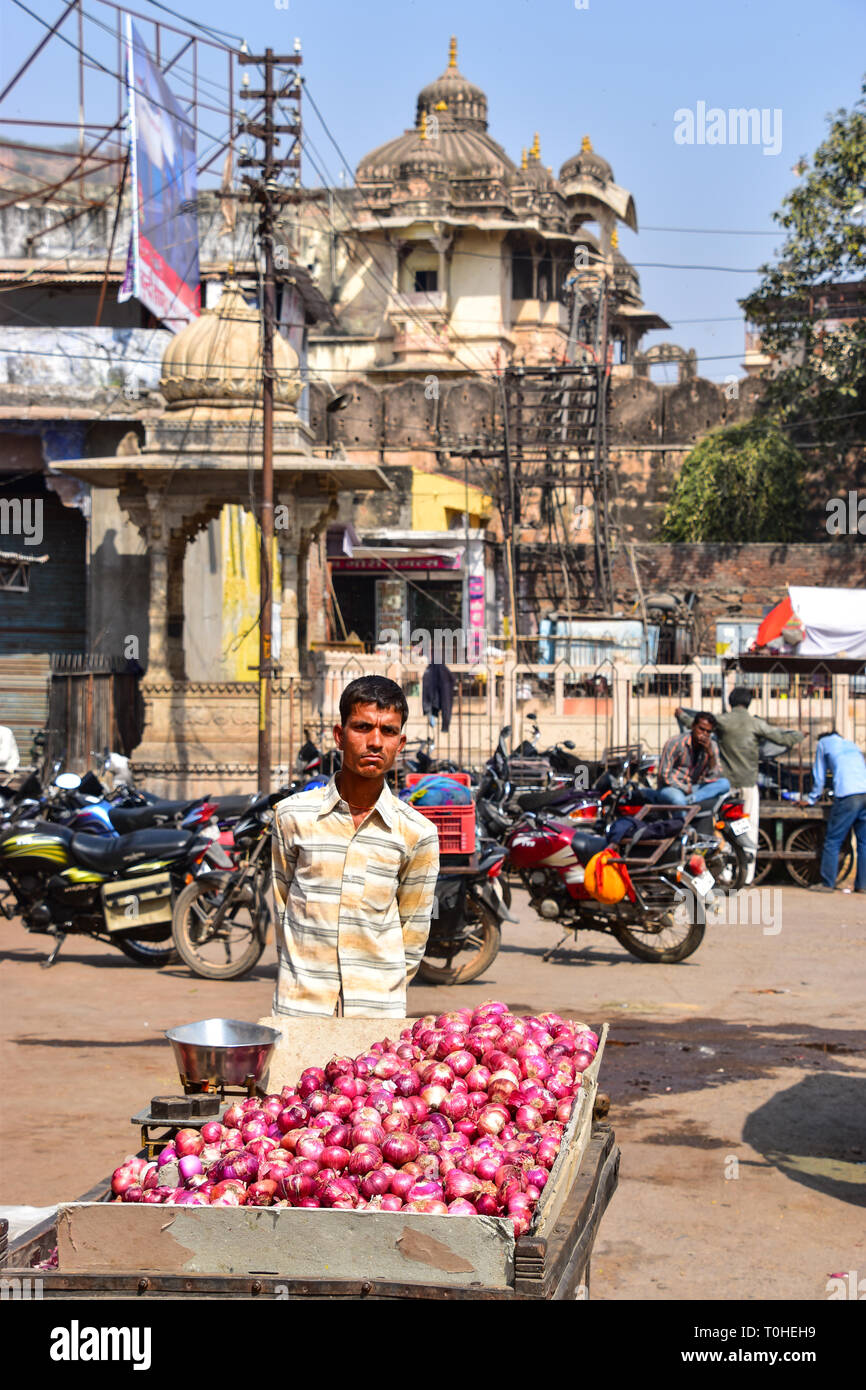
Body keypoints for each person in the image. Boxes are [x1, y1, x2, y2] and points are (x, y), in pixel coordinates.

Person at [271, 675, 440, 1017]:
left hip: (377, 1018)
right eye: (362, 727)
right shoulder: (293, 816)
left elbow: (414, 933)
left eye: (388, 731)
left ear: (400, 742)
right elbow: (282, 909)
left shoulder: (416, 833)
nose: (375, 742)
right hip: (301, 1010)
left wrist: (379, 993)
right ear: (339, 735)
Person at [677, 688, 804, 884]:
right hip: (748, 785)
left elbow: (697, 727)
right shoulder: (755, 723)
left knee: (724, 826)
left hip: (726, 785)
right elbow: (781, 738)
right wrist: (798, 736)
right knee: (747, 826)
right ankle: (747, 874)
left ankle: (727, 872)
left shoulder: (723, 721)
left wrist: (682, 715)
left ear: (730, 702)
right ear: (749, 702)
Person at [802, 730, 866, 893]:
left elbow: (819, 775)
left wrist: (811, 799)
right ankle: (862, 885)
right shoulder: (851, 745)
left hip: (847, 795)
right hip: (864, 791)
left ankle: (827, 883)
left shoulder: (824, 744)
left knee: (833, 839)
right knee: (863, 842)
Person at [655, 713, 731, 807]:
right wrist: (685, 788)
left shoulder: (712, 746)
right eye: (701, 729)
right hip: (671, 788)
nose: (704, 734)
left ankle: (689, 801)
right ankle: (683, 816)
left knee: (724, 784)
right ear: (693, 726)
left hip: (693, 789)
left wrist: (710, 755)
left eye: (708, 732)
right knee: (679, 800)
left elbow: (714, 777)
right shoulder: (675, 743)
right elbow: (664, 775)